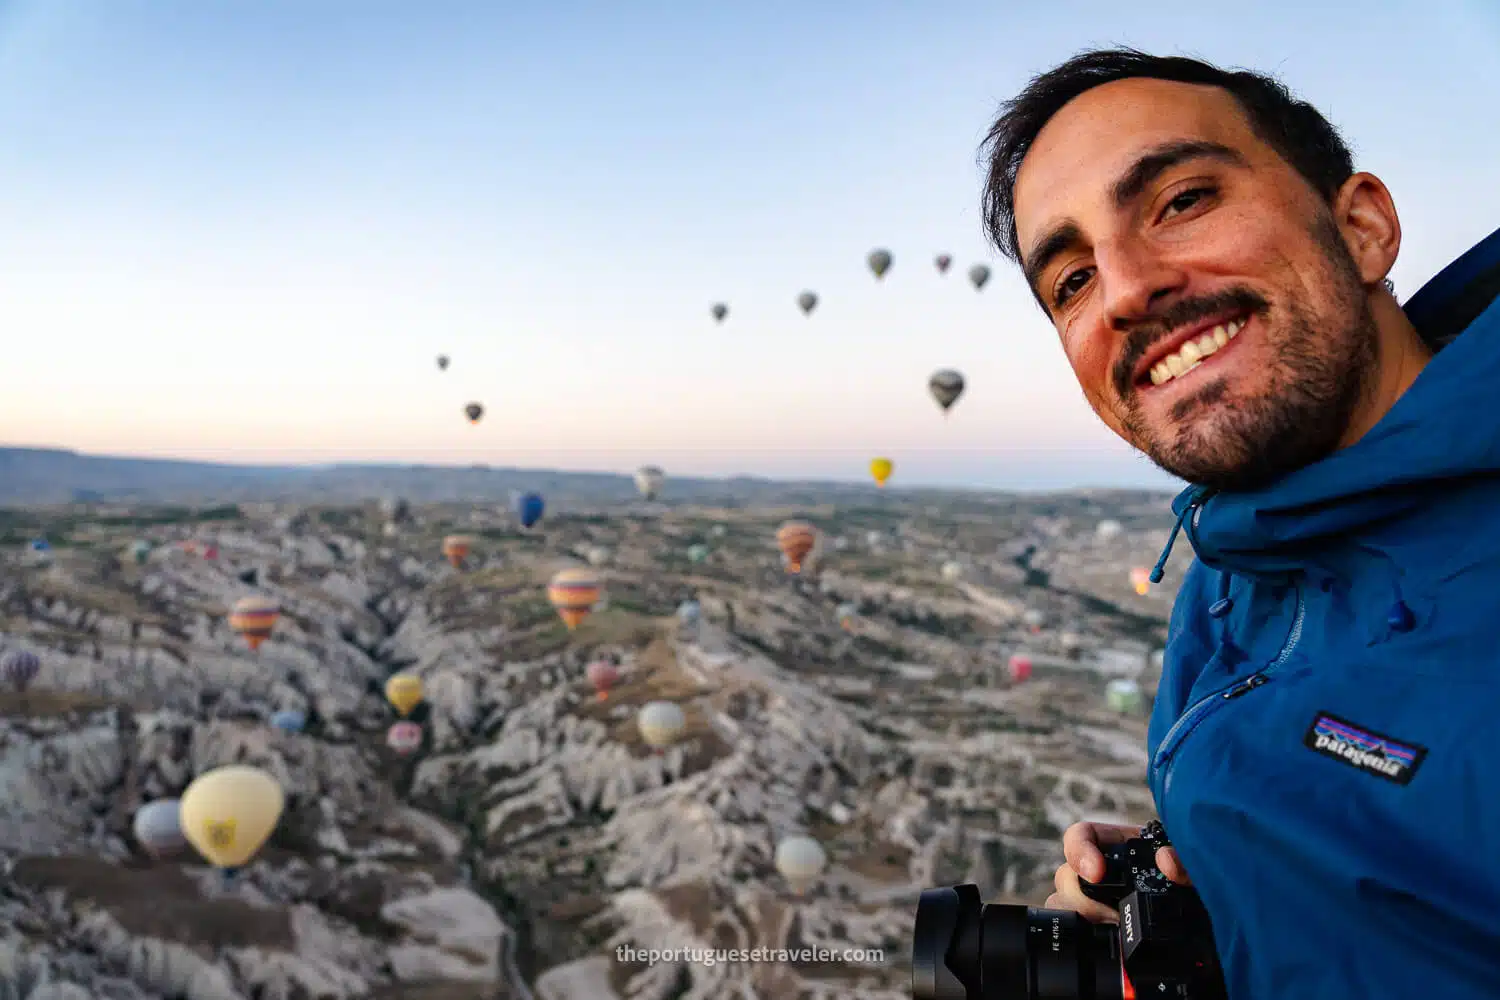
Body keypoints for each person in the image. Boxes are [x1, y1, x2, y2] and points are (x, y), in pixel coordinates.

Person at [978, 48, 1500, 997]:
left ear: (1364, 228)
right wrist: (1214, 887)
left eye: (1181, 201)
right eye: (1071, 281)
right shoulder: (1233, 568)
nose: (1126, 288)